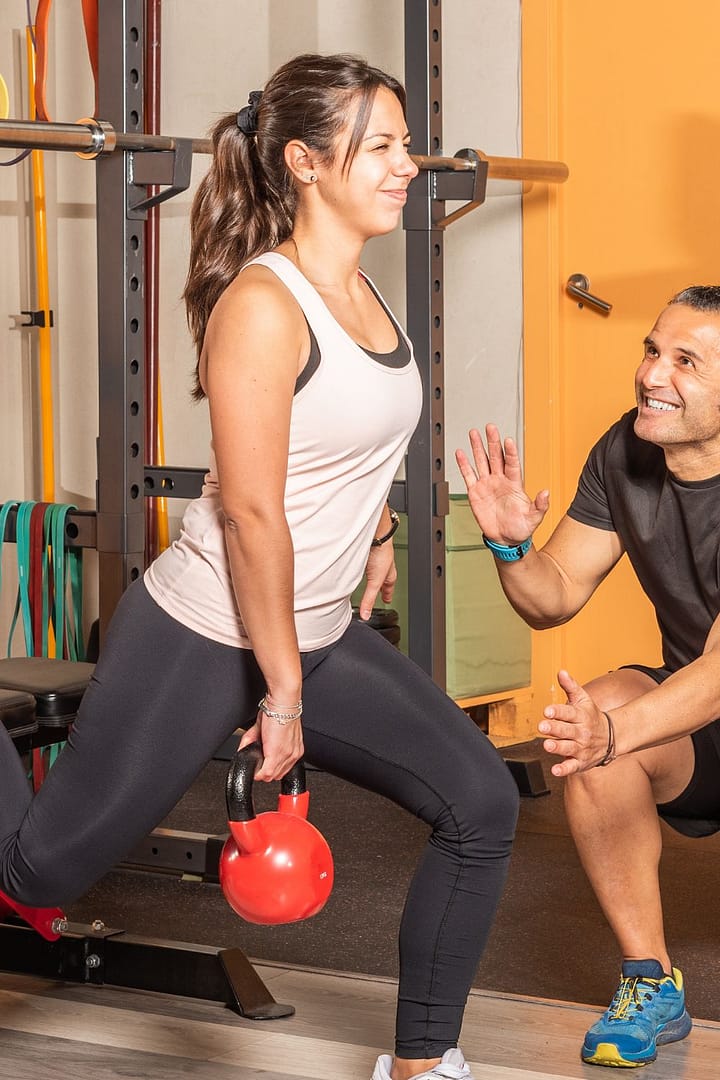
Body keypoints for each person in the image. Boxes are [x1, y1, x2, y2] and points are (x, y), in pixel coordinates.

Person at [0, 54, 520, 1080]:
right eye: (380, 146)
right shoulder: (264, 304)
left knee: (480, 804)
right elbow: (246, 512)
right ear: (305, 163)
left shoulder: (365, 292)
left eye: (403, 143)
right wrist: (281, 692)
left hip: (309, 631)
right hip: (202, 634)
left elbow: (354, 444)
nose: (405, 165)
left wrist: (371, 538)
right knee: (36, 874)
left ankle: (422, 1064)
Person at [455, 284, 720, 1069]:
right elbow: (555, 594)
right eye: (651, 350)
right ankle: (650, 983)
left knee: (605, 729)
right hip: (702, 717)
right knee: (589, 720)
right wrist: (509, 548)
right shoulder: (628, 451)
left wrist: (617, 734)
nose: (651, 376)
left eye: (685, 361)